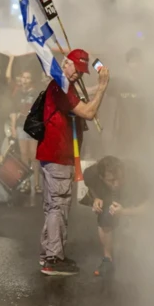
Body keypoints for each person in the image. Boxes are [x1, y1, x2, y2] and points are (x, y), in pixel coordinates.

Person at [37, 49, 110, 276]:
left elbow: (83, 95)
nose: (77, 76)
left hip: (55, 154)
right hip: (58, 154)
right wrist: (104, 89)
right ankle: (53, 259)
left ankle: (49, 254)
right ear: (65, 63)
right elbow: (87, 112)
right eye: (75, 70)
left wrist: (100, 84)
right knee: (59, 206)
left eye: (81, 73)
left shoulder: (65, 86)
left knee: (53, 206)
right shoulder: (60, 85)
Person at [81, 156, 149, 276]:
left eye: (119, 178)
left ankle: (143, 253)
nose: (116, 183)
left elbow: (152, 207)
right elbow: (91, 188)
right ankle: (108, 259)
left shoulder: (136, 176)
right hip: (111, 198)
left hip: (133, 200)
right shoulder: (91, 174)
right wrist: (95, 198)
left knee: (141, 222)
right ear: (101, 177)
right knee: (105, 216)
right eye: (111, 180)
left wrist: (125, 212)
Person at [10, 70, 41, 194]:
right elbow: (13, 111)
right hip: (21, 125)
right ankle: (26, 182)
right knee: (23, 154)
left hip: (33, 125)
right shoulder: (17, 93)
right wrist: (12, 127)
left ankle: (37, 184)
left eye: (28, 78)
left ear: (31, 80)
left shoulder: (35, 93)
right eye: (24, 77)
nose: (25, 80)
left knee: (34, 155)